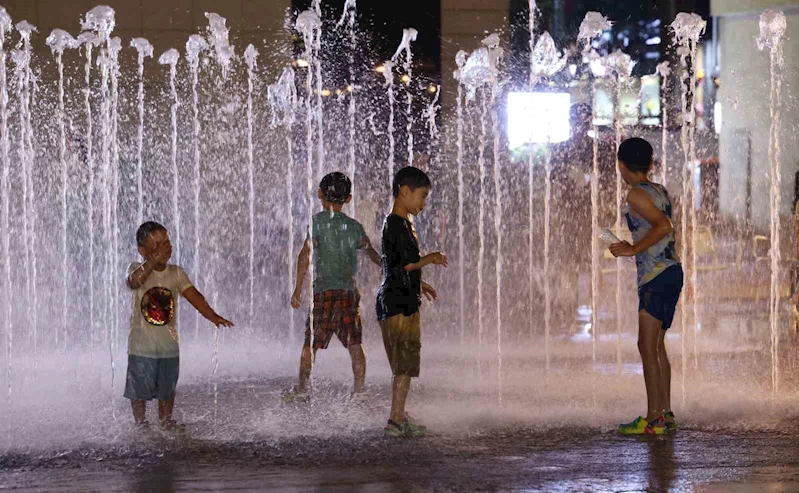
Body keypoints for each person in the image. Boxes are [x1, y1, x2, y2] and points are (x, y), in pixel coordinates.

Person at [125, 221, 233, 429]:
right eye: (157, 245)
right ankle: (140, 422)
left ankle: (166, 420)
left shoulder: (176, 273)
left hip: (168, 345)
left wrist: (212, 316)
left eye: (167, 242)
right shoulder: (135, 268)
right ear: (142, 250)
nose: (165, 248)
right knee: (139, 390)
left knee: (167, 388)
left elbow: (195, 296)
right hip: (141, 346)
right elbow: (134, 282)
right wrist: (153, 260)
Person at [284, 172, 381, 402]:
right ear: (348, 199)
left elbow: (304, 255)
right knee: (355, 343)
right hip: (348, 293)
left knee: (311, 343)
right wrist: (388, 267)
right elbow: (371, 254)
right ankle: (359, 391)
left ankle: (302, 389)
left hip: (323, 292)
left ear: (319, 194)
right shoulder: (355, 227)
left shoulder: (316, 223)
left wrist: (298, 289)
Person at [609, 138, 683, 435]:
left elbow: (664, 226)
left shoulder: (636, 195)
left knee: (645, 345)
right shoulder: (659, 190)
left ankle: (654, 420)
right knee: (656, 345)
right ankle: (665, 412)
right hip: (669, 272)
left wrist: (632, 249)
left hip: (656, 276)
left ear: (622, 165)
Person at [377, 166, 447, 437]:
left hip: (391, 299)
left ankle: (399, 414)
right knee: (405, 364)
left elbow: (394, 265)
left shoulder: (395, 223)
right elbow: (406, 264)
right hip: (400, 303)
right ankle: (395, 421)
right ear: (405, 192)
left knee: (400, 365)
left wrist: (421, 283)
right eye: (422, 196)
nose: (424, 202)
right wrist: (431, 258)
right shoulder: (397, 224)